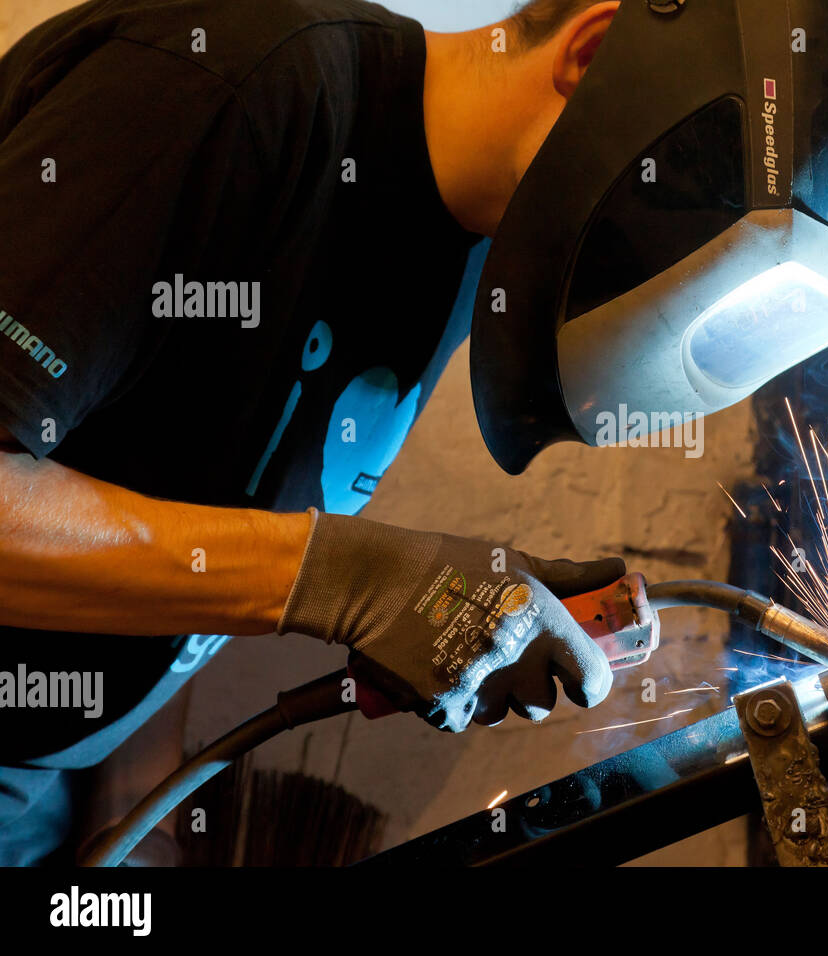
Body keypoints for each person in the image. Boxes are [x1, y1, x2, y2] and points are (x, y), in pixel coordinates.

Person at [0, 0, 621, 865]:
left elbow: (188, 513)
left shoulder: (474, 236)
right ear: (591, 53)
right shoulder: (224, 89)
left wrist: (129, 825)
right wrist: (340, 579)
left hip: (38, 788)